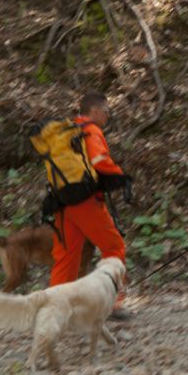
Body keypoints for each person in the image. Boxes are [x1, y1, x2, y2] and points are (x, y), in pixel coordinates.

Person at [49, 92, 128, 305]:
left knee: (66, 257)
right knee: (114, 247)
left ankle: (54, 307)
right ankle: (113, 302)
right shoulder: (91, 131)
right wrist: (120, 175)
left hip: (62, 201)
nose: (108, 116)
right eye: (106, 112)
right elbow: (99, 160)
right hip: (86, 201)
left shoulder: (67, 130)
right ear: (94, 111)